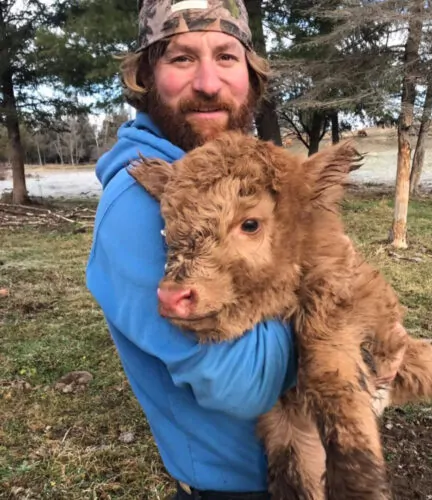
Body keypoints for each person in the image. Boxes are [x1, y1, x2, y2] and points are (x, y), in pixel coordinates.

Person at [86, 1, 297, 498]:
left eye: (226, 56)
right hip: (243, 486)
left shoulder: (235, 172)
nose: (207, 82)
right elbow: (247, 383)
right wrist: (345, 329)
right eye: (180, 58)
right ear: (145, 76)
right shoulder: (142, 203)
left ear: (251, 72)